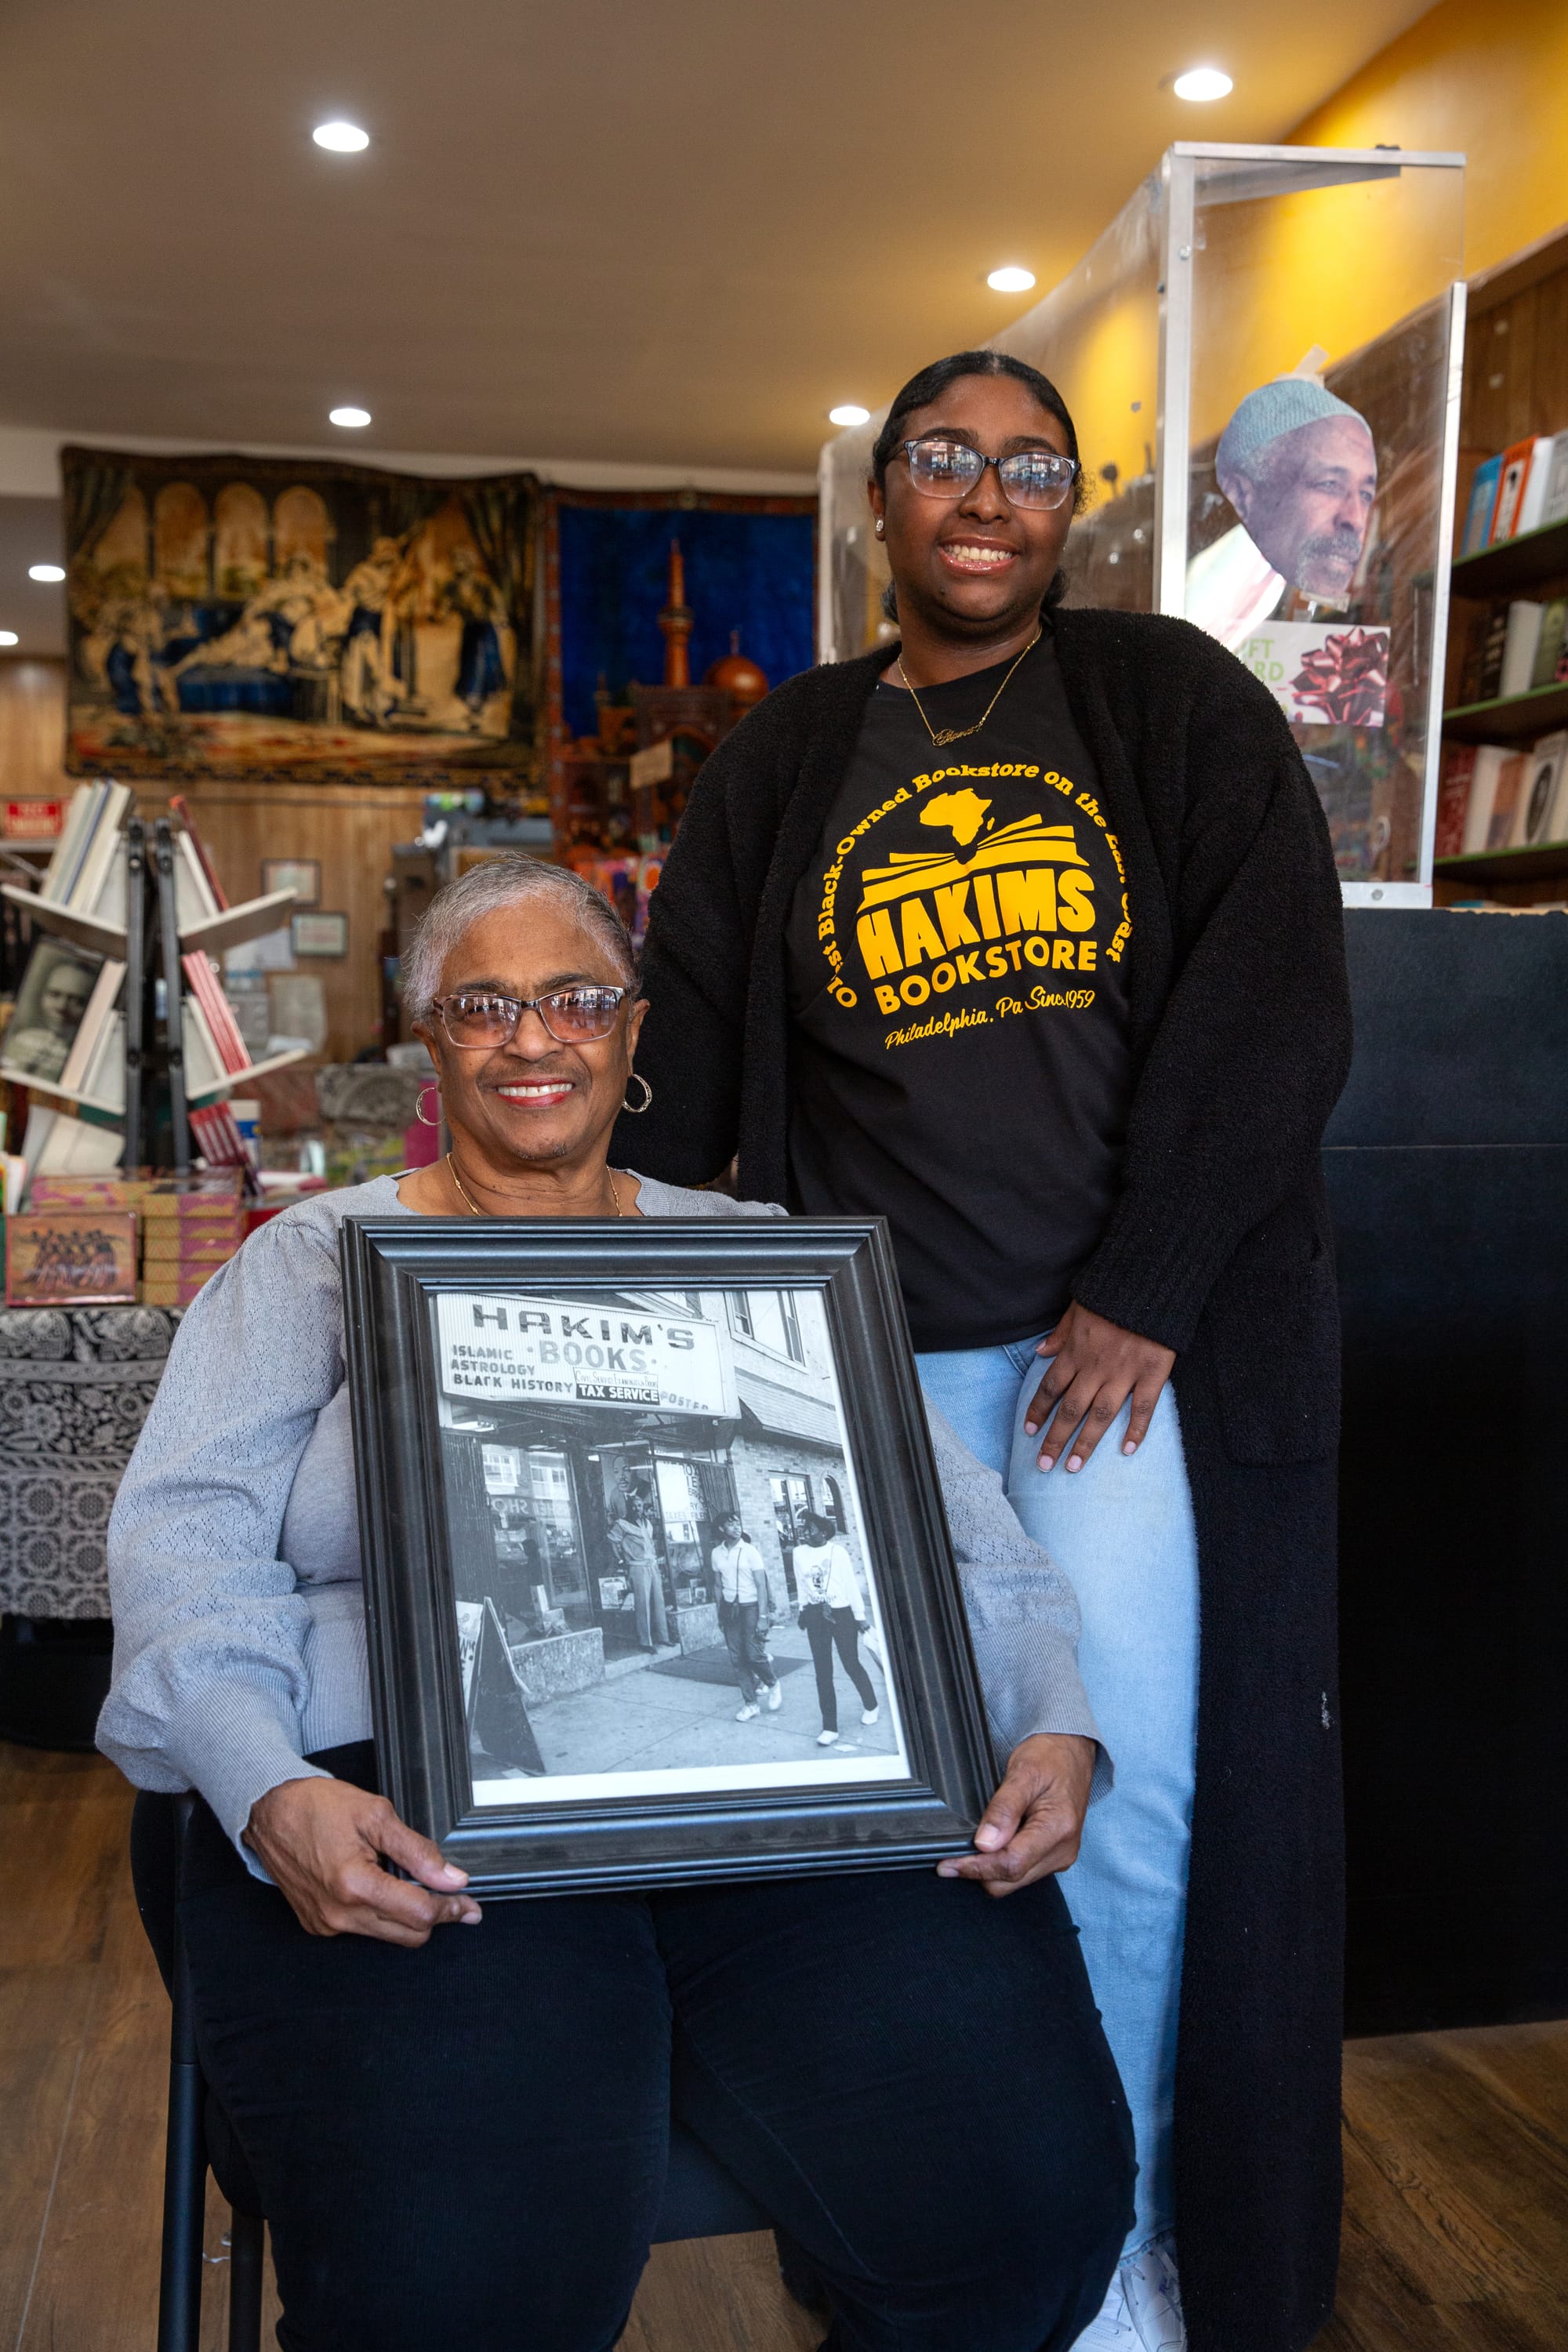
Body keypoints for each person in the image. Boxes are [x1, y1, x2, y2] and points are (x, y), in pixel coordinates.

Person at [100, 855, 1134, 2352]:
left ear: (632, 1030)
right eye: (484, 1006)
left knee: (1029, 2206)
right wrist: (267, 1786)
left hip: (791, 1809)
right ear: (432, 1039)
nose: (534, 1038)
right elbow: (183, 1547)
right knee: (462, 2287)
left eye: (575, 999)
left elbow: (968, 1546)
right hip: (398, 1797)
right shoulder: (311, 1263)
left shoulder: (769, 1260)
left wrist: (1052, 1722)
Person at [615, 350, 1353, 2352]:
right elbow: (686, 1047)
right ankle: (975, 2230)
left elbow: (1278, 1003)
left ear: (1068, 510)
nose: (987, 493)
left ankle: (1122, 2243)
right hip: (861, 1378)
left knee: (1126, 1802)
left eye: (1032, 466)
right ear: (883, 495)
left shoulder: (1164, 702)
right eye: (945, 456)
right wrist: (587, 1261)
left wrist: (1150, 1281)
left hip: (1115, 1372)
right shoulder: (790, 754)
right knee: (916, 1831)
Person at [1188, 369, 1377, 645]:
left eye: (1365, 494)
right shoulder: (1217, 579)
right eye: (1329, 484)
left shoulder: (1285, 581)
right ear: (1245, 492)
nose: (1356, 519)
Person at [792, 1510, 879, 1747]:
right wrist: (802, 1608)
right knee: (822, 1671)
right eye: (803, 1528)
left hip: (842, 1614)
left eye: (810, 1529)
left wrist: (860, 1617)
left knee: (850, 1663)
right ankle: (829, 1727)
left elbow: (850, 1585)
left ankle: (871, 1705)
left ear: (823, 1532)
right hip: (815, 1614)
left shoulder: (837, 1552)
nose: (805, 1532)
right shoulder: (799, 1553)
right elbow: (801, 1583)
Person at [710, 1508, 780, 1719]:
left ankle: (773, 1683)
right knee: (737, 1658)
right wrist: (719, 1612)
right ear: (722, 1528)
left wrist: (763, 1616)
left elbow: (761, 1585)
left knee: (753, 1654)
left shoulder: (750, 1551)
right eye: (731, 1524)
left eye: (738, 1523)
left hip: (751, 1607)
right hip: (730, 1609)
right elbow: (717, 1585)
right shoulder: (716, 1553)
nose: (736, 1527)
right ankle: (751, 1704)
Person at [5, 951, 96, 1083]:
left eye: (77, 1001)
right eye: (55, 995)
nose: (62, 1006)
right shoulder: (16, 1041)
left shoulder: (87, 1059)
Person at [608, 1490, 670, 1650]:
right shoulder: (622, 1524)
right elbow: (613, 1542)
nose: (637, 1509)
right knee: (642, 1604)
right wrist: (621, 1561)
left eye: (640, 1506)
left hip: (652, 1565)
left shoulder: (647, 1523)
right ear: (629, 1507)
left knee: (659, 1601)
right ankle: (645, 1642)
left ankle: (663, 1637)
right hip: (637, 1566)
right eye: (634, 1506)